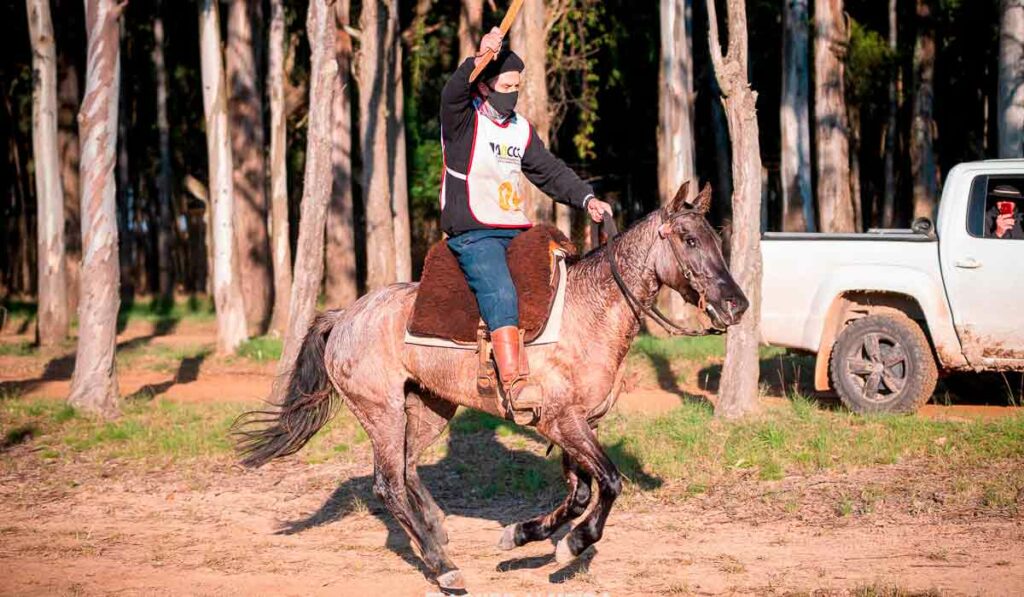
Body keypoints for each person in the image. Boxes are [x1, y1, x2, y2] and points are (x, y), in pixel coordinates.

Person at [439, 27, 612, 415]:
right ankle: (515, 382)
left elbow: (549, 171)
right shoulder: (461, 121)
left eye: (518, 85)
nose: (513, 92)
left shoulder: (520, 129)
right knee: (502, 293)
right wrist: (479, 57)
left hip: (515, 230)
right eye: (506, 85)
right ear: (484, 87)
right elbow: (452, 93)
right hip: (474, 233)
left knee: (561, 280)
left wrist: (586, 198)